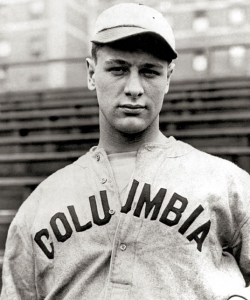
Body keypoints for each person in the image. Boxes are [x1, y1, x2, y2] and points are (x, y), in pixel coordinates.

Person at [1, 3, 250, 300]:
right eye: (118, 69)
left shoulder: (225, 182)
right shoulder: (41, 202)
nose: (134, 87)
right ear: (92, 73)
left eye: (149, 72)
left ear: (168, 78)